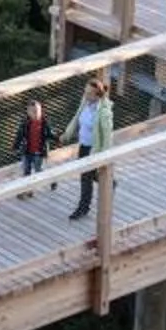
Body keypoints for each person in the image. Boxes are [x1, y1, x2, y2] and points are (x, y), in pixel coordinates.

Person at [66, 76, 114, 221]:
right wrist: (67, 134)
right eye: (85, 92)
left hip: (94, 149)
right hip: (83, 145)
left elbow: (107, 137)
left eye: (88, 93)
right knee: (87, 175)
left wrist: (104, 157)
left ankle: (83, 208)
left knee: (86, 178)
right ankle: (110, 182)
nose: (85, 95)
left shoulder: (104, 113)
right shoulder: (85, 102)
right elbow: (77, 117)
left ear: (97, 96)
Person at [15, 98, 50, 194]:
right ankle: (28, 190)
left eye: (38, 111)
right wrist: (16, 145)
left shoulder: (44, 122)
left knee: (38, 170)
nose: (36, 113)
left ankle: (51, 180)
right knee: (26, 170)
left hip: (39, 152)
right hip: (27, 151)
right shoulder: (25, 123)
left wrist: (58, 139)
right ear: (28, 112)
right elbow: (19, 135)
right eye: (33, 111)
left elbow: (49, 134)